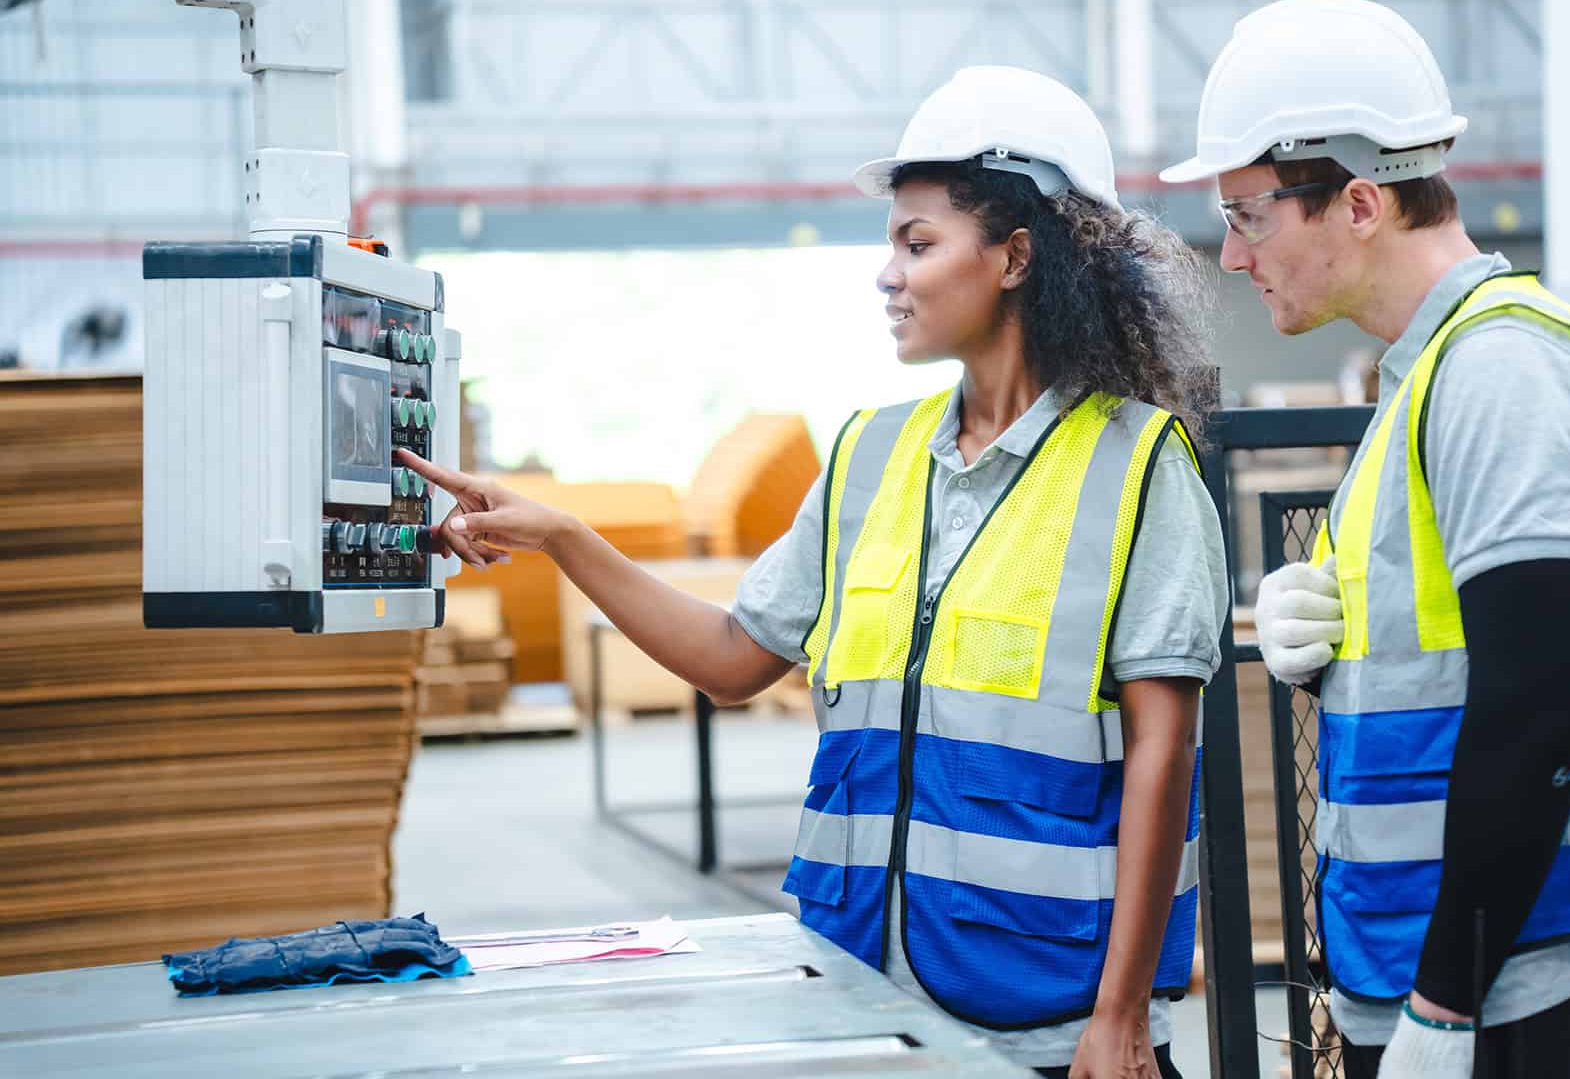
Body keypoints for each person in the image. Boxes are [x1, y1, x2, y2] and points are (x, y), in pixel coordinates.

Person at [403, 64, 1228, 1079]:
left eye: (917, 243)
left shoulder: (1139, 468)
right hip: (861, 1007)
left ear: (1016, 256)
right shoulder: (867, 457)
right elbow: (730, 659)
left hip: (1049, 1022)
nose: (889, 274)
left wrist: (1122, 1014)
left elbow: (1163, 756)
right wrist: (566, 538)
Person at [1162, 0, 1570, 1078]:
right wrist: (1333, 665)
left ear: (1359, 202)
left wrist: (1447, 1003)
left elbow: (1534, 715)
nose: (1229, 255)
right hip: (1451, 981)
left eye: (1249, 214)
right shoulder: (1431, 379)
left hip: (1530, 998)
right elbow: (1463, 669)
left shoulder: (1503, 373)